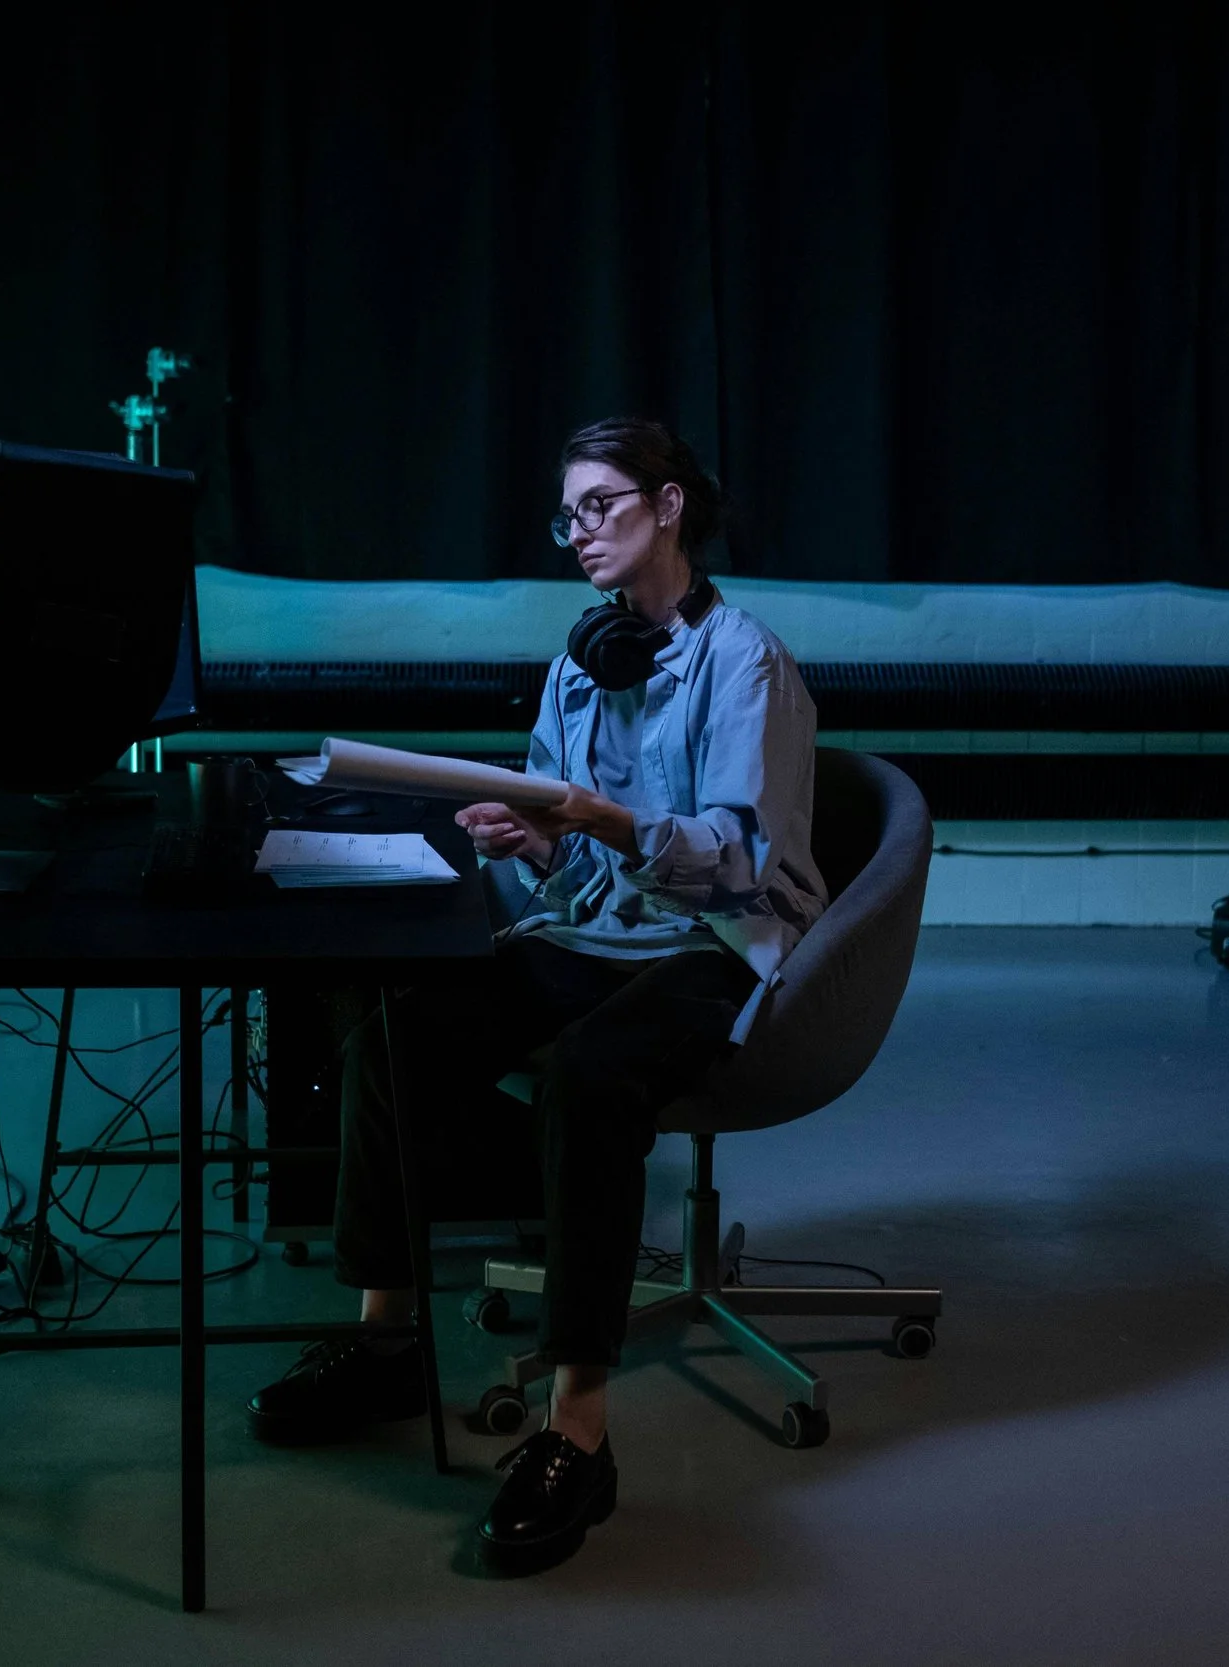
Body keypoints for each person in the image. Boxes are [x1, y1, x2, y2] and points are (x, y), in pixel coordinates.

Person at [244, 417, 826, 1573]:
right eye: (567, 512)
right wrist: (531, 837)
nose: (579, 531)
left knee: (590, 1077)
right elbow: (572, 857)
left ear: (668, 507)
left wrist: (599, 820)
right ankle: (386, 1339)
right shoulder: (580, 662)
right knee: (393, 1041)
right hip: (599, 928)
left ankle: (578, 1430)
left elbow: (742, 858)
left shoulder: (744, 661)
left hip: (711, 941)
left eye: (600, 504)